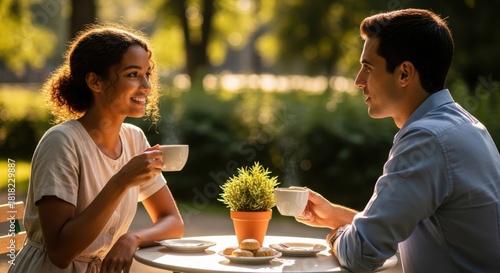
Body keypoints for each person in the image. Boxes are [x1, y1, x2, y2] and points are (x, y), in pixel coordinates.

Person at [295, 8, 500, 273]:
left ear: (404, 73)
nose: (358, 81)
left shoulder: (426, 139)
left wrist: (335, 237)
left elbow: (361, 253)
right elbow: (392, 227)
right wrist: (336, 216)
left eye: (368, 68)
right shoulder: (463, 125)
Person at [8, 23, 185, 273]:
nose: (146, 86)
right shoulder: (62, 142)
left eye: (147, 73)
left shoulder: (135, 139)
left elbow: (172, 222)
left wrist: (131, 239)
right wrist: (121, 180)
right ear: (95, 81)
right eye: (133, 74)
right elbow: (60, 252)